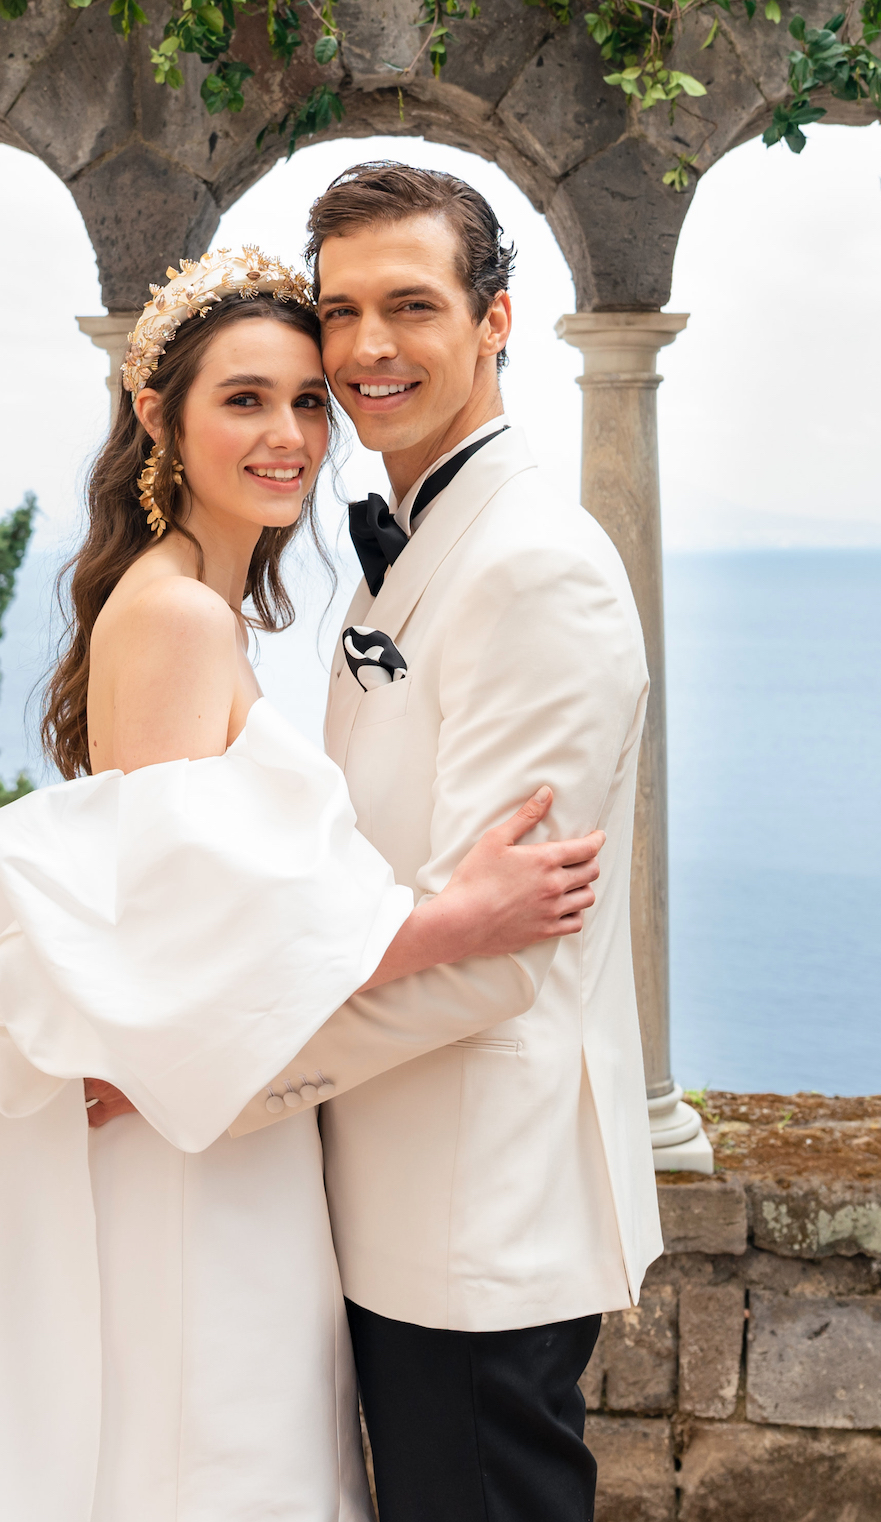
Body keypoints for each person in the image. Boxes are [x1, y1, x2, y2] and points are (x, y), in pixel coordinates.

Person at [0, 245, 608, 1521]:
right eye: (245, 399)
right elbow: (179, 946)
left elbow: (213, 915)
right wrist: (452, 921)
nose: (288, 434)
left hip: (232, 1119)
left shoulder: (201, 600)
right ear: (158, 416)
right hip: (191, 1139)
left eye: (307, 401)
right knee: (202, 1454)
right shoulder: (178, 617)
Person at [209, 162, 663, 1522]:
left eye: (410, 304)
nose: (367, 348)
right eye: (341, 311)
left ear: (499, 320)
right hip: (399, 1193)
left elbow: (493, 957)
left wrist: (229, 1070)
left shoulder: (535, 565)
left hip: (477, 1208)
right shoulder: (408, 543)